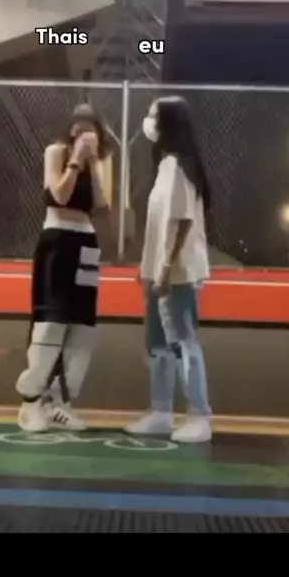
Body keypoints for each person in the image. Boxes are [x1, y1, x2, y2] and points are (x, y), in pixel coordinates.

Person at [16, 104, 110, 433]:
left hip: (86, 243)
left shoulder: (100, 163)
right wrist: (76, 160)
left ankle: (60, 402)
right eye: (79, 128)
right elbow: (59, 194)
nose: (85, 135)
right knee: (51, 321)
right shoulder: (56, 152)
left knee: (82, 325)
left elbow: (101, 206)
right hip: (57, 240)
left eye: (91, 129)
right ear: (69, 131)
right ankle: (30, 402)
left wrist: (94, 164)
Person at [125, 96, 212, 443]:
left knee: (184, 342)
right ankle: (160, 411)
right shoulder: (166, 165)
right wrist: (148, 267)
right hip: (159, 271)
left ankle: (199, 415)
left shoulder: (178, 166)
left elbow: (183, 221)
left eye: (153, 115)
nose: (148, 121)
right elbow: (160, 225)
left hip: (177, 272)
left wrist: (163, 268)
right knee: (159, 345)